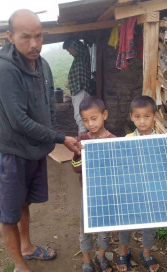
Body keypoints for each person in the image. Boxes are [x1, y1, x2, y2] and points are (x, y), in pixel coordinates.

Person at [0, 10, 81, 272]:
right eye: (26, 37)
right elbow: (19, 121)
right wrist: (59, 137)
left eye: (39, 36)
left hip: (34, 151)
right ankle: (20, 265)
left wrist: (53, 128)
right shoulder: (5, 70)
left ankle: (27, 247)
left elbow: (50, 105)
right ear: (10, 37)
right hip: (13, 153)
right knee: (9, 215)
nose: (34, 44)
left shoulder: (42, 65)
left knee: (24, 203)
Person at [71, 97, 115, 272]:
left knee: (105, 226)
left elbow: (118, 168)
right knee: (85, 227)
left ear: (104, 115)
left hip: (106, 193)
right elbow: (74, 167)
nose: (90, 124)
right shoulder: (82, 139)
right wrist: (83, 155)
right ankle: (86, 259)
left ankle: (101, 256)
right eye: (85, 120)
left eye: (94, 118)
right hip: (88, 193)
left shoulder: (113, 140)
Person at [117, 96, 159, 272]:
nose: (142, 121)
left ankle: (146, 253)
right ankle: (123, 253)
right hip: (131, 189)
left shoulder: (162, 141)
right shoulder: (126, 139)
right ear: (131, 117)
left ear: (155, 116)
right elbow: (121, 164)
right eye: (138, 117)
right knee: (125, 223)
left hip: (150, 190)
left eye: (147, 116)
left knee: (150, 224)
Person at [63, 39, 92, 135]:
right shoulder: (78, 59)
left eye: (69, 50)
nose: (70, 53)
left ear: (74, 47)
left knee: (79, 115)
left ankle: (82, 135)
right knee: (81, 114)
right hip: (78, 90)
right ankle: (84, 134)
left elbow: (79, 46)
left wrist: (71, 39)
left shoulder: (82, 55)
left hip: (81, 90)